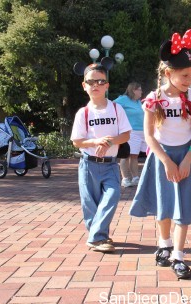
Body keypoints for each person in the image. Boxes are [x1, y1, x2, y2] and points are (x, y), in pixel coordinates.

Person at [129, 29, 191, 279]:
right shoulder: (153, 100)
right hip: (161, 158)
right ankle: (164, 243)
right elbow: (149, 136)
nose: (190, 80)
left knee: (183, 207)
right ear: (169, 73)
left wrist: (187, 159)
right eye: (185, 75)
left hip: (187, 157)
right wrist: (166, 161)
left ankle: (178, 255)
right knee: (164, 205)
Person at [70, 63, 132, 253]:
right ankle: (100, 237)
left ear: (107, 85)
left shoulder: (116, 109)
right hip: (89, 165)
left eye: (100, 81)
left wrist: (108, 142)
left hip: (111, 165)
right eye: (91, 81)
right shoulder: (84, 112)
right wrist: (96, 142)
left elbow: (126, 135)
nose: (96, 85)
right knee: (90, 203)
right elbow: (77, 141)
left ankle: (96, 237)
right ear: (84, 85)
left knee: (112, 196)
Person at [114, 82, 146, 187]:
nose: (141, 92)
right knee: (126, 155)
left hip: (141, 132)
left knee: (134, 156)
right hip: (131, 132)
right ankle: (125, 179)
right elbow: (112, 105)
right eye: (139, 89)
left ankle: (135, 178)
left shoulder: (138, 102)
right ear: (133, 90)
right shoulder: (123, 99)